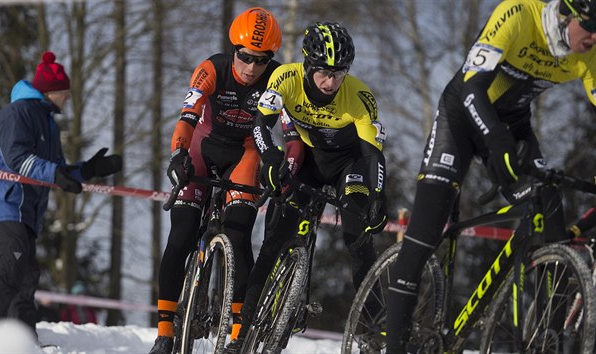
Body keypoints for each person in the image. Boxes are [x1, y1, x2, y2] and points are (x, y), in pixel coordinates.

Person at [384, 0, 596, 352]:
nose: (593, 36)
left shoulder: (588, 54)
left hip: (513, 125)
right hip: (462, 116)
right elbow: (471, 87)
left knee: (550, 200)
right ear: (564, 14)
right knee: (423, 234)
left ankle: (548, 338)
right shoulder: (516, 14)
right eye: (589, 26)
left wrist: (505, 139)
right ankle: (393, 344)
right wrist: (495, 141)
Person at [224, 21, 389, 353]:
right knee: (273, 242)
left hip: (349, 166)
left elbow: (373, 155)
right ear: (308, 66)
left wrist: (378, 193)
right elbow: (261, 124)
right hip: (311, 162)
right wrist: (271, 156)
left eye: (338, 74)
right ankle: (240, 336)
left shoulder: (359, 97)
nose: (331, 83)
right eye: (324, 74)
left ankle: (374, 330)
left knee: (356, 238)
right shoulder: (284, 77)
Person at [148, 7, 282, 354]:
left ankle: (238, 332)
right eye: (245, 57)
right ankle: (164, 332)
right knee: (180, 234)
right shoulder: (211, 68)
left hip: (245, 154)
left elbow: (290, 131)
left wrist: (282, 166)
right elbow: (187, 117)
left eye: (262, 60)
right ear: (233, 49)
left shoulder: (280, 79)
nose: (252, 68)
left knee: (239, 237)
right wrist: (178, 153)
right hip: (201, 149)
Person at [0, 51, 122, 336]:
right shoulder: (16, 114)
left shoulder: (49, 125)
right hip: (4, 201)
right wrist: (56, 174)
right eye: (65, 91)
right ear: (52, 90)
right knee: (15, 255)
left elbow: (57, 171)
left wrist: (89, 169)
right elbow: (18, 159)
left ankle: (24, 337)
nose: (68, 97)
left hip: (27, 208)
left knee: (28, 273)